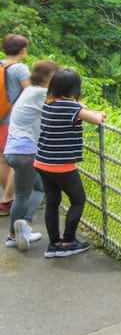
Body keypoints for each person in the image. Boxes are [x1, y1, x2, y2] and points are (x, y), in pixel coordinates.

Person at [35, 68, 106, 258]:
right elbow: (96, 119)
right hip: (61, 166)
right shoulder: (73, 108)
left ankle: (54, 244)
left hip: (42, 162)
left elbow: (79, 110)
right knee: (78, 200)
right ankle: (68, 241)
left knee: (52, 202)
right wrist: (98, 114)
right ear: (75, 88)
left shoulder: (48, 103)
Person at [4, 60, 60, 249]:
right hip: (25, 152)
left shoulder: (29, 91)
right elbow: (68, 105)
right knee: (22, 195)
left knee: (39, 188)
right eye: (55, 75)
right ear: (45, 77)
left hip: (15, 151)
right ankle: (13, 234)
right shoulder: (40, 93)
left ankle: (23, 226)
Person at [0, 34, 31, 215]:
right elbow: (30, 92)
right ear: (23, 50)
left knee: (3, 160)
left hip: (0, 118)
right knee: (16, 163)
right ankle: (7, 201)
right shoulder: (20, 69)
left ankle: (8, 198)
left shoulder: (1, 65)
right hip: (13, 121)